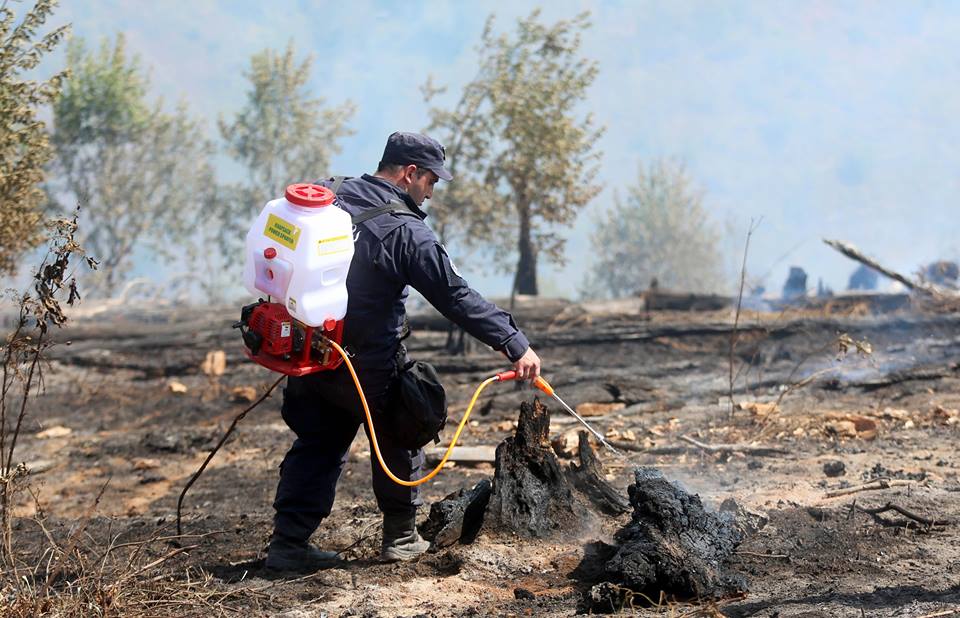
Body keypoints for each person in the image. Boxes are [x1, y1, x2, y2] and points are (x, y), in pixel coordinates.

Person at [265, 131, 541, 570]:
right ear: (409, 173)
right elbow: (454, 296)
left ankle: (287, 545)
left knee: (318, 443)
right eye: (430, 180)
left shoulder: (328, 196)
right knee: (402, 429)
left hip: (310, 351)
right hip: (368, 363)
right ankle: (401, 537)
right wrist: (514, 342)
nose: (432, 191)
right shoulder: (408, 233)